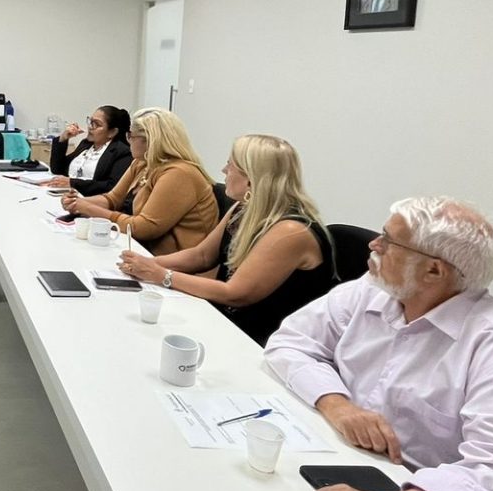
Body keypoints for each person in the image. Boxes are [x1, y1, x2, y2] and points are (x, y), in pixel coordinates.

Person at [265, 198, 493, 491]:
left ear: (434, 271)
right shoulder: (373, 291)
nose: (374, 244)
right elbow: (291, 341)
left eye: (389, 240)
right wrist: (338, 405)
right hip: (372, 472)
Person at [117, 133, 336, 345]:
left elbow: (235, 294)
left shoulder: (291, 231)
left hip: (261, 341)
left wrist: (161, 275)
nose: (224, 170)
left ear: (250, 178)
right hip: (226, 323)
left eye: (230, 165)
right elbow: (202, 256)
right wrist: (147, 263)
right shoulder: (244, 208)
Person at [61, 108, 218, 253]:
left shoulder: (179, 173)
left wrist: (89, 209)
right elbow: (113, 199)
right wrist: (78, 203)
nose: (128, 140)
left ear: (150, 140)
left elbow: (143, 228)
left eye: (131, 136)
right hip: (141, 249)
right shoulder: (142, 163)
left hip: (170, 261)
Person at [42, 105, 133, 195]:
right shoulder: (86, 144)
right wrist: (63, 138)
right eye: (91, 121)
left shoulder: (122, 152)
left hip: (91, 200)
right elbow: (57, 169)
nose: (90, 127)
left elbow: (111, 186)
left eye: (97, 124)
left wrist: (72, 183)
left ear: (112, 132)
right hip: (65, 194)